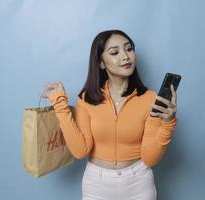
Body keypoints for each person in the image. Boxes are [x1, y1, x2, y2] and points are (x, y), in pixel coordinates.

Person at [39, 30, 178, 200]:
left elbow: (150, 158)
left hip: (139, 185)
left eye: (129, 49)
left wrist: (168, 123)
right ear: (101, 63)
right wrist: (60, 104)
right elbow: (80, 150)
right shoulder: (86, 98)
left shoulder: (149, 98)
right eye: (114, 52)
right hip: (97, 185)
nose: (126, 56)